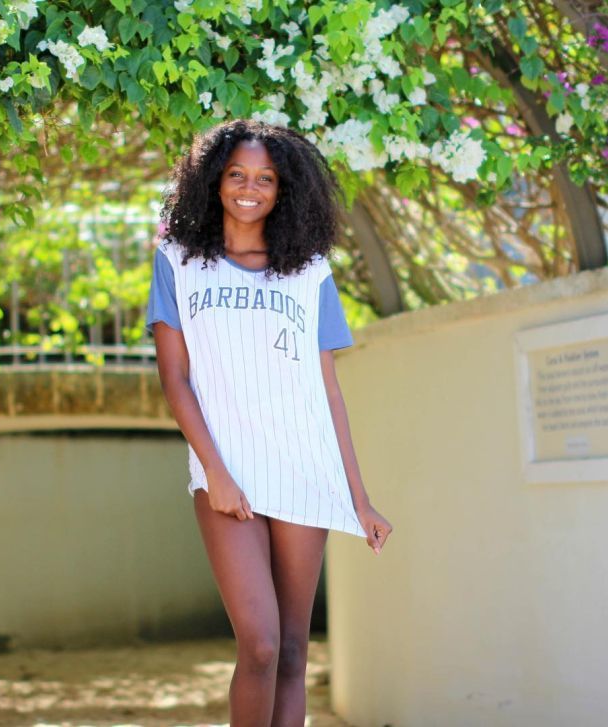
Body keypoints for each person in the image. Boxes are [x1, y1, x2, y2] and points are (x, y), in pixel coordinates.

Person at [144, 118, 392, 727]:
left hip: (304, 469)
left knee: (292, 652)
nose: (249, 188)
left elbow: (327, 390)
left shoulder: (311, 272)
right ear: (213, 180)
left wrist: (358, 498)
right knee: (259, 645)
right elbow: (175, 379)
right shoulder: (178, 261)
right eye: (237, 175)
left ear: (284, 190)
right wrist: (215, 473)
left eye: (265, 178)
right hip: (226, 475)